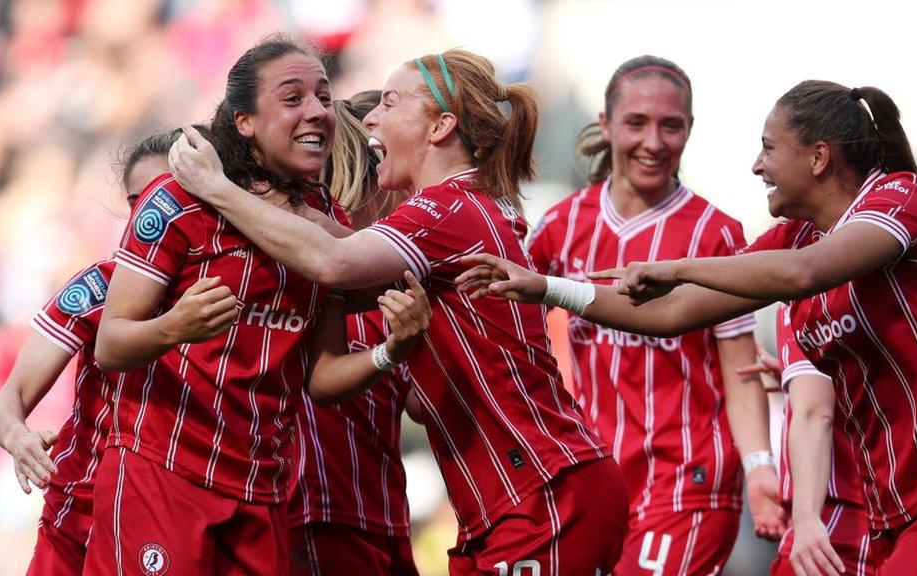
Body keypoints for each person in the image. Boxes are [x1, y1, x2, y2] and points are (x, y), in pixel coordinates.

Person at [455, 80, 917, 575]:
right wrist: (549, 289)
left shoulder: (898, 198)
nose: (756, 166)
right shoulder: (796, 238)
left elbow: (801, 277)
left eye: (768, 147)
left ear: (818, 158)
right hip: (892, 508)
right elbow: (669, 314)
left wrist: (676, 266)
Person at [169, 48, 629, 575]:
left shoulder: (446, 208)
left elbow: (333, 261)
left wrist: (218, 189)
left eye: (388, 103)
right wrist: (281, 196)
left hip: (541, 493)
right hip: (512, 500)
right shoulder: (462, 207)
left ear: (440, 127)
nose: (369, 118)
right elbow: (341, 245)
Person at [86, 36, 430, 576]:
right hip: (167, 474)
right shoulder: (175, 202)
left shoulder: (320, 215)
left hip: (263, 491)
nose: (318, 110)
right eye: (293, 98)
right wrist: (175, 326)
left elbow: (321, 375)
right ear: (244, 121)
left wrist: (392, 351)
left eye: (323, 95)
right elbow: (110, 345)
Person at [527, 55, 784, 575]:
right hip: (598, 479)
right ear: (605, 125)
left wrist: (759, 468)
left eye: (672, 125)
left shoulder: (716, 233)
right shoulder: (559, 226)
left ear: (690, 129)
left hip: (689, 479)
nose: (654, 142)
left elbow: (740, 370)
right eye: (637, 123)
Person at [0, 128, 185, 575]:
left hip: (175, 516)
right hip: (80, 514)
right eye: (140, 203)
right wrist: (19, 438)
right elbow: (8, 399)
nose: (153, 217)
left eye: (170, 198)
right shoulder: (98, 286)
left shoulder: (235, 290)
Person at [289, 90, 419, 576]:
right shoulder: (310, 278)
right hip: (317, 513)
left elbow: (421, 406)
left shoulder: (390, 282)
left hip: (382, 513)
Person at [737, 304, 875, 576]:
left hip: (836, 521)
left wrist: (806, 518)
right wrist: (796, 377)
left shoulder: (811, 294)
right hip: (842, 517)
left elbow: (815, 413)